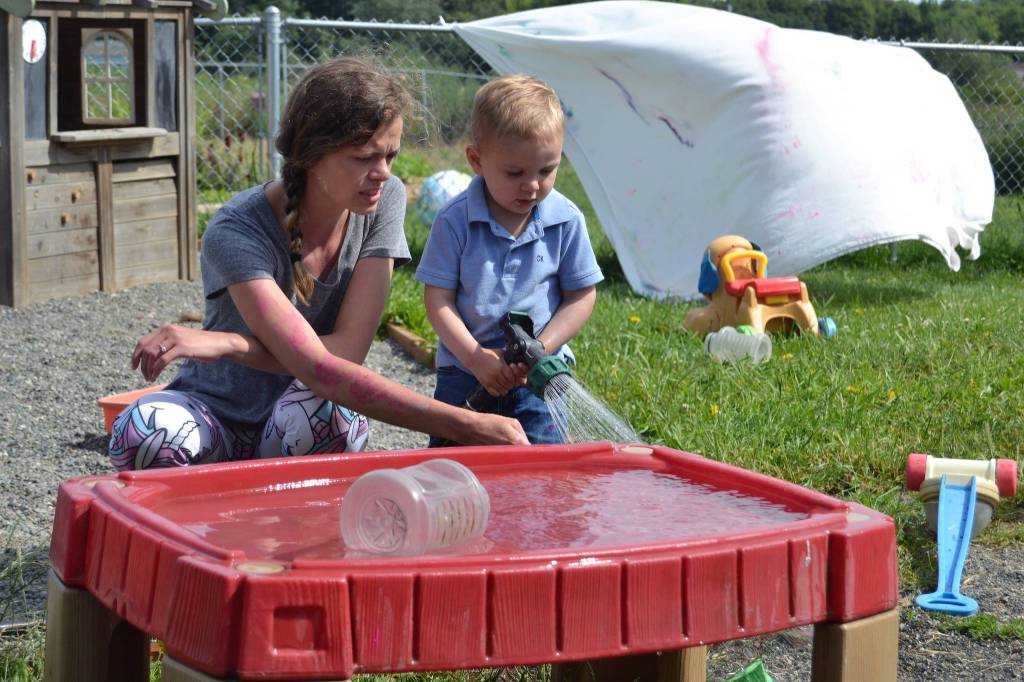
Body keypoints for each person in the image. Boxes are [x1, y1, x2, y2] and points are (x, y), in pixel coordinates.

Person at [109, 56, 527, 471]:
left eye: (391, 156)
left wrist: (230, 344)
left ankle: (286, 524)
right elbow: (315, 364)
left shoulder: (384, 201)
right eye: (364, 157)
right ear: (311, 154)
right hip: (213, 417)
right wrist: (471, 425)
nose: (383, 172)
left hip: (299, 422)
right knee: (141, 430)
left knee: (332, 409)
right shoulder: (236, 230)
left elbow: (342, 357)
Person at [415, 75, 604, 446]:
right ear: (476, 160)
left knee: (542, 471)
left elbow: (582, 296)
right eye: (515, 173)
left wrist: (542, 349)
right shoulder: (455, 220)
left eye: (547, 170)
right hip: (466, 373)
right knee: (450, 469)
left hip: (538, 379)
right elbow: (438, 300)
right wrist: (476, 358)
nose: (532, 185)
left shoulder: (565, 219)